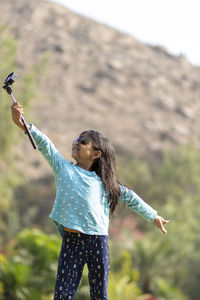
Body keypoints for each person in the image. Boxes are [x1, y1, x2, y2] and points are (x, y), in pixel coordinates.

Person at [11, 102, 169, 300]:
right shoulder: (64, 169)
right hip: (72, 243)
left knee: (99, 296)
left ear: (96, 153)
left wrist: (154, 216)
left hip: (98, 242)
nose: (76, 142)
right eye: (76, 139)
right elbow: (46, 145)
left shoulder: (106, 185)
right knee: (62, 295)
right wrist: (22, 123)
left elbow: (132, 199)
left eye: (83, 141)